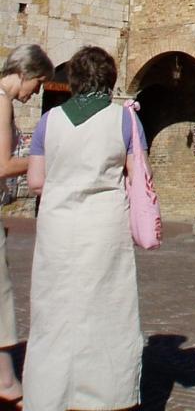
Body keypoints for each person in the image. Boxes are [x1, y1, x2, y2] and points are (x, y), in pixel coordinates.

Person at [23, 46, 145, 411]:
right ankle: (104, 395)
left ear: (73, 79)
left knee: (53, 310)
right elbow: (139, 174)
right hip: (104, 225)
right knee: (106, 307)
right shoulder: (124, 119)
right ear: (110, 79)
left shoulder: (49, 120)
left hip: (58, 224)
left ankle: (49, 395)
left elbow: (36, 181)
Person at [0, 43, 52, 405]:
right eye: (39, 83)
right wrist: (46, 159)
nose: (37, 92)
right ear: (25, 73)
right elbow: (2, 165)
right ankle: (5, 380)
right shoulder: (2, 101)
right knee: (1, 295)